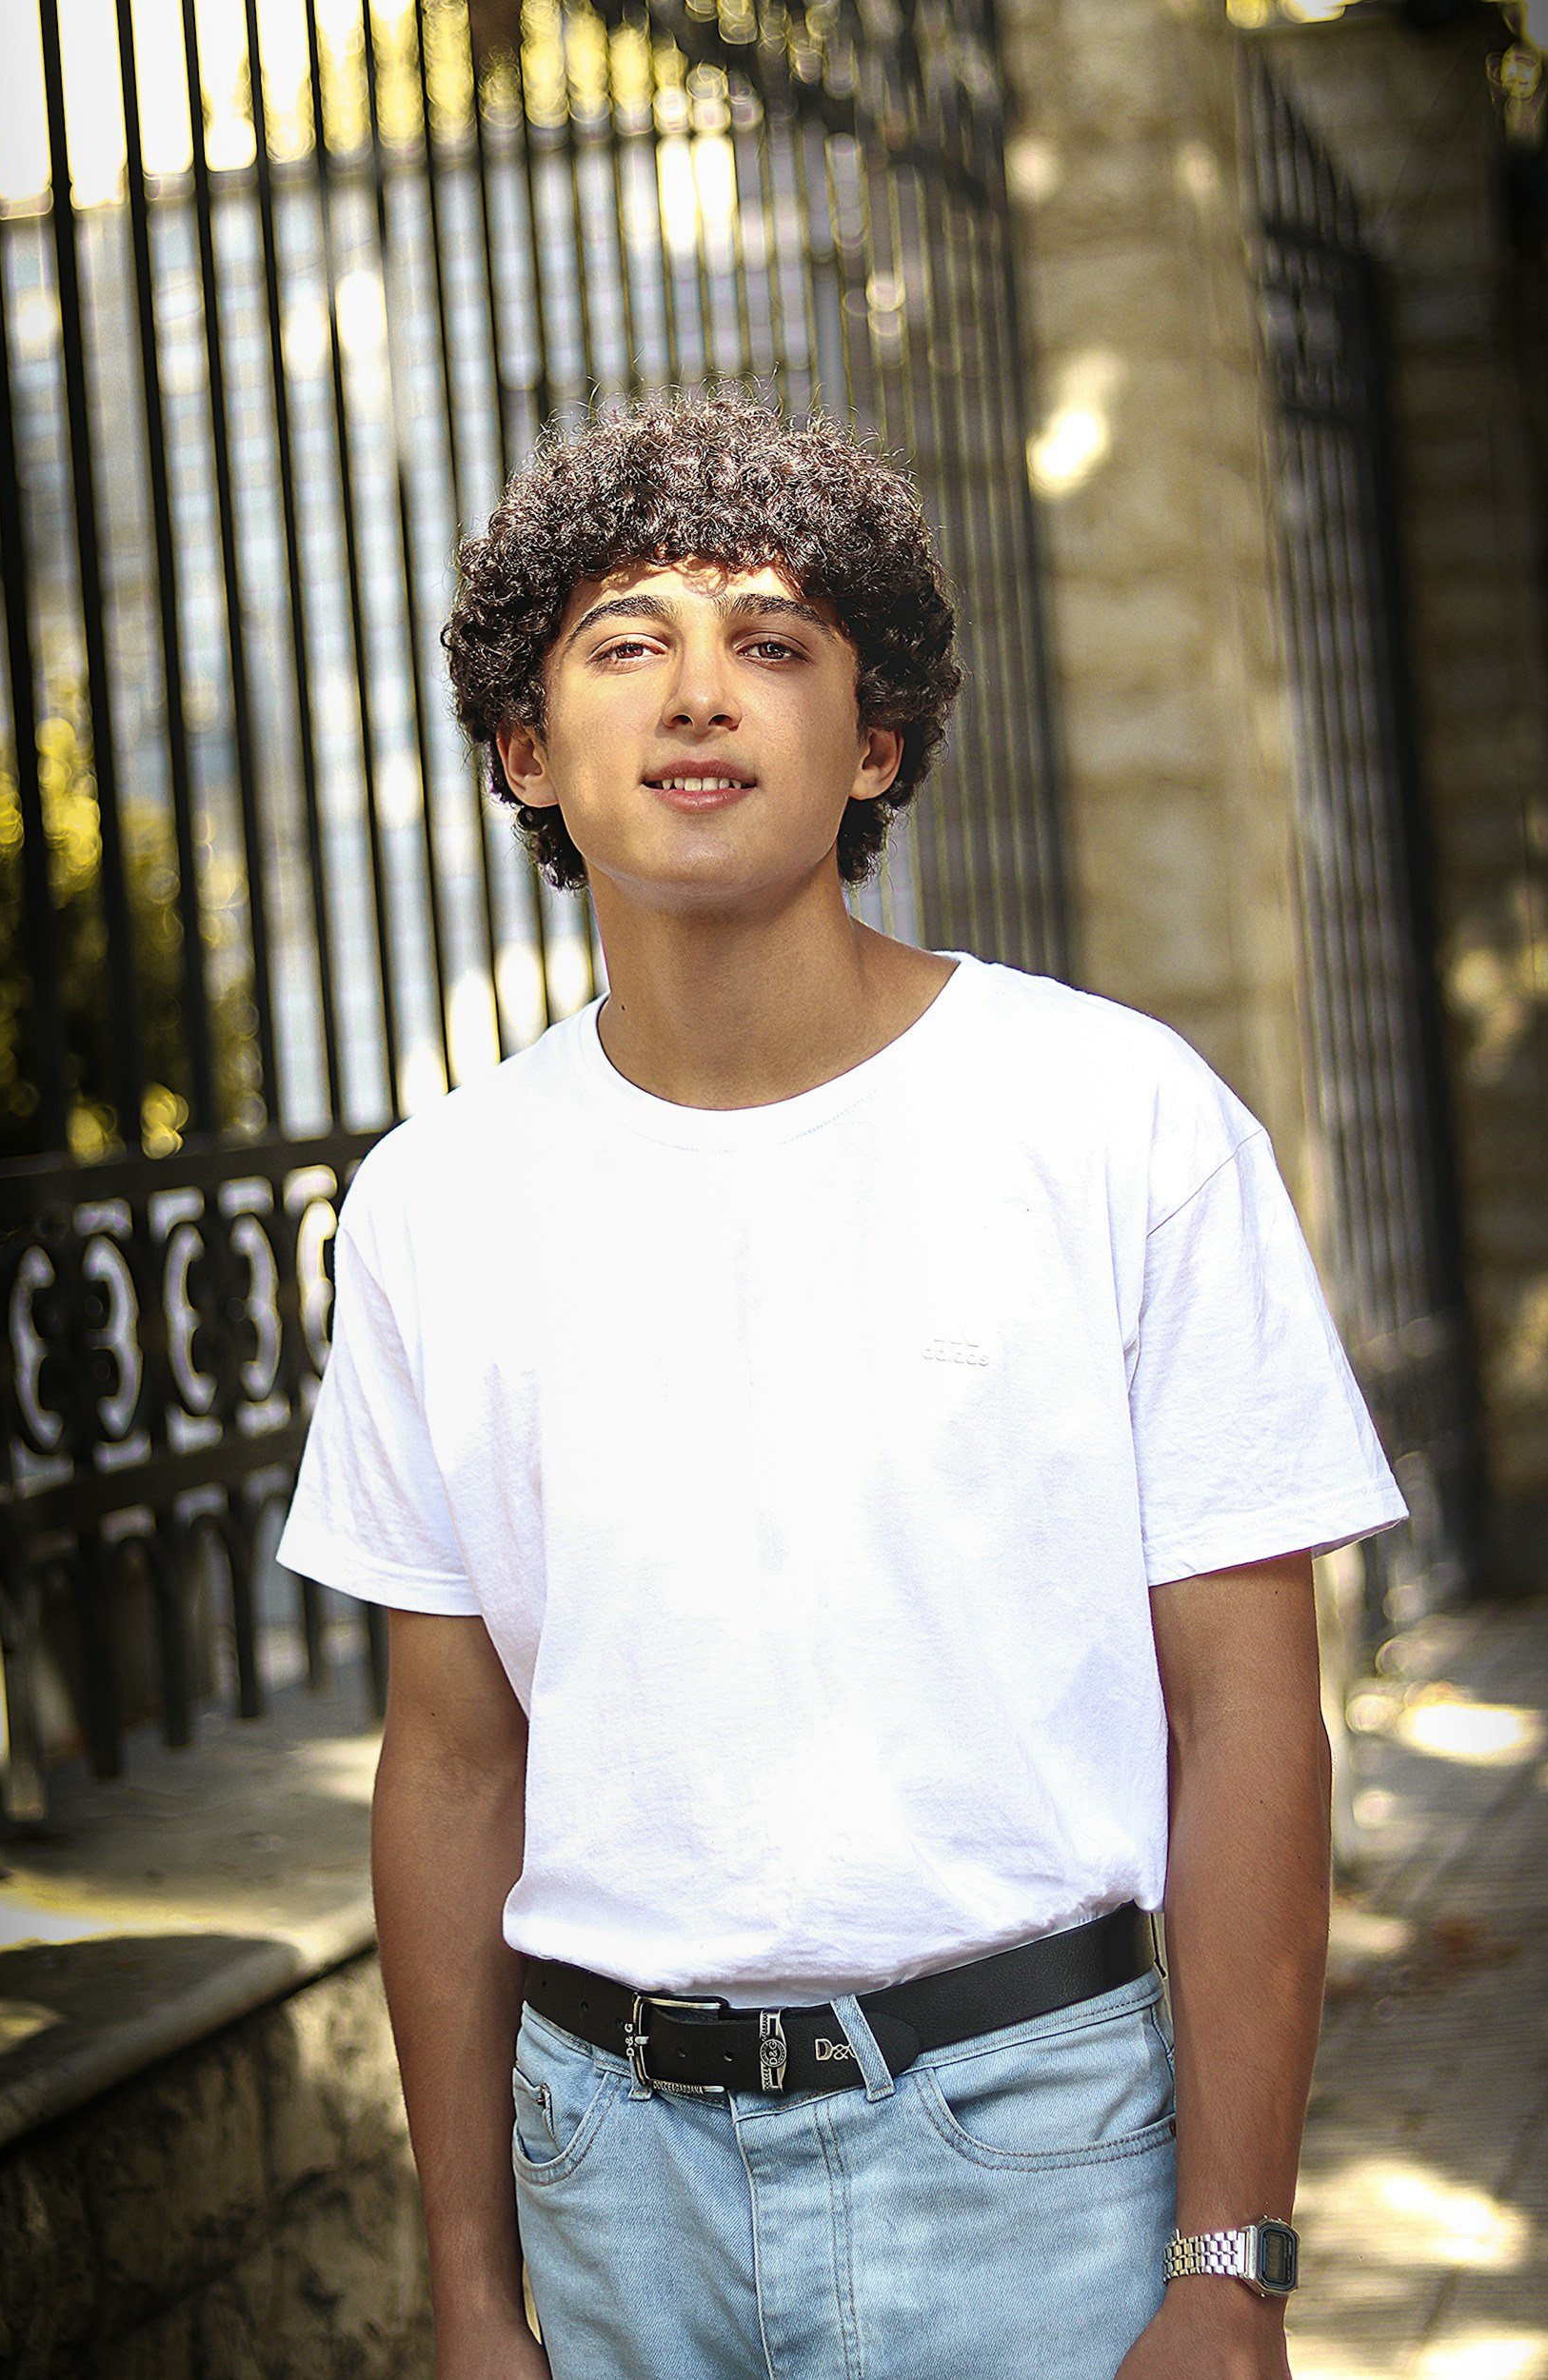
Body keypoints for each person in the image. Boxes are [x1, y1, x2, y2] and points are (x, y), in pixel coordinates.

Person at [278, 385, 1407, 2380]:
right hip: (609, 2172)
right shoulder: (434, 1207)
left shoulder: (1112, 1120)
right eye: (630, 639)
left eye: (773, 642)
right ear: (527, 753)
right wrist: (473, 2294)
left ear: (872, 741)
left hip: (1038, 2154)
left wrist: (1230, 2258)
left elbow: (1246, 1701)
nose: (700, 691)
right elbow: (450, 1763)